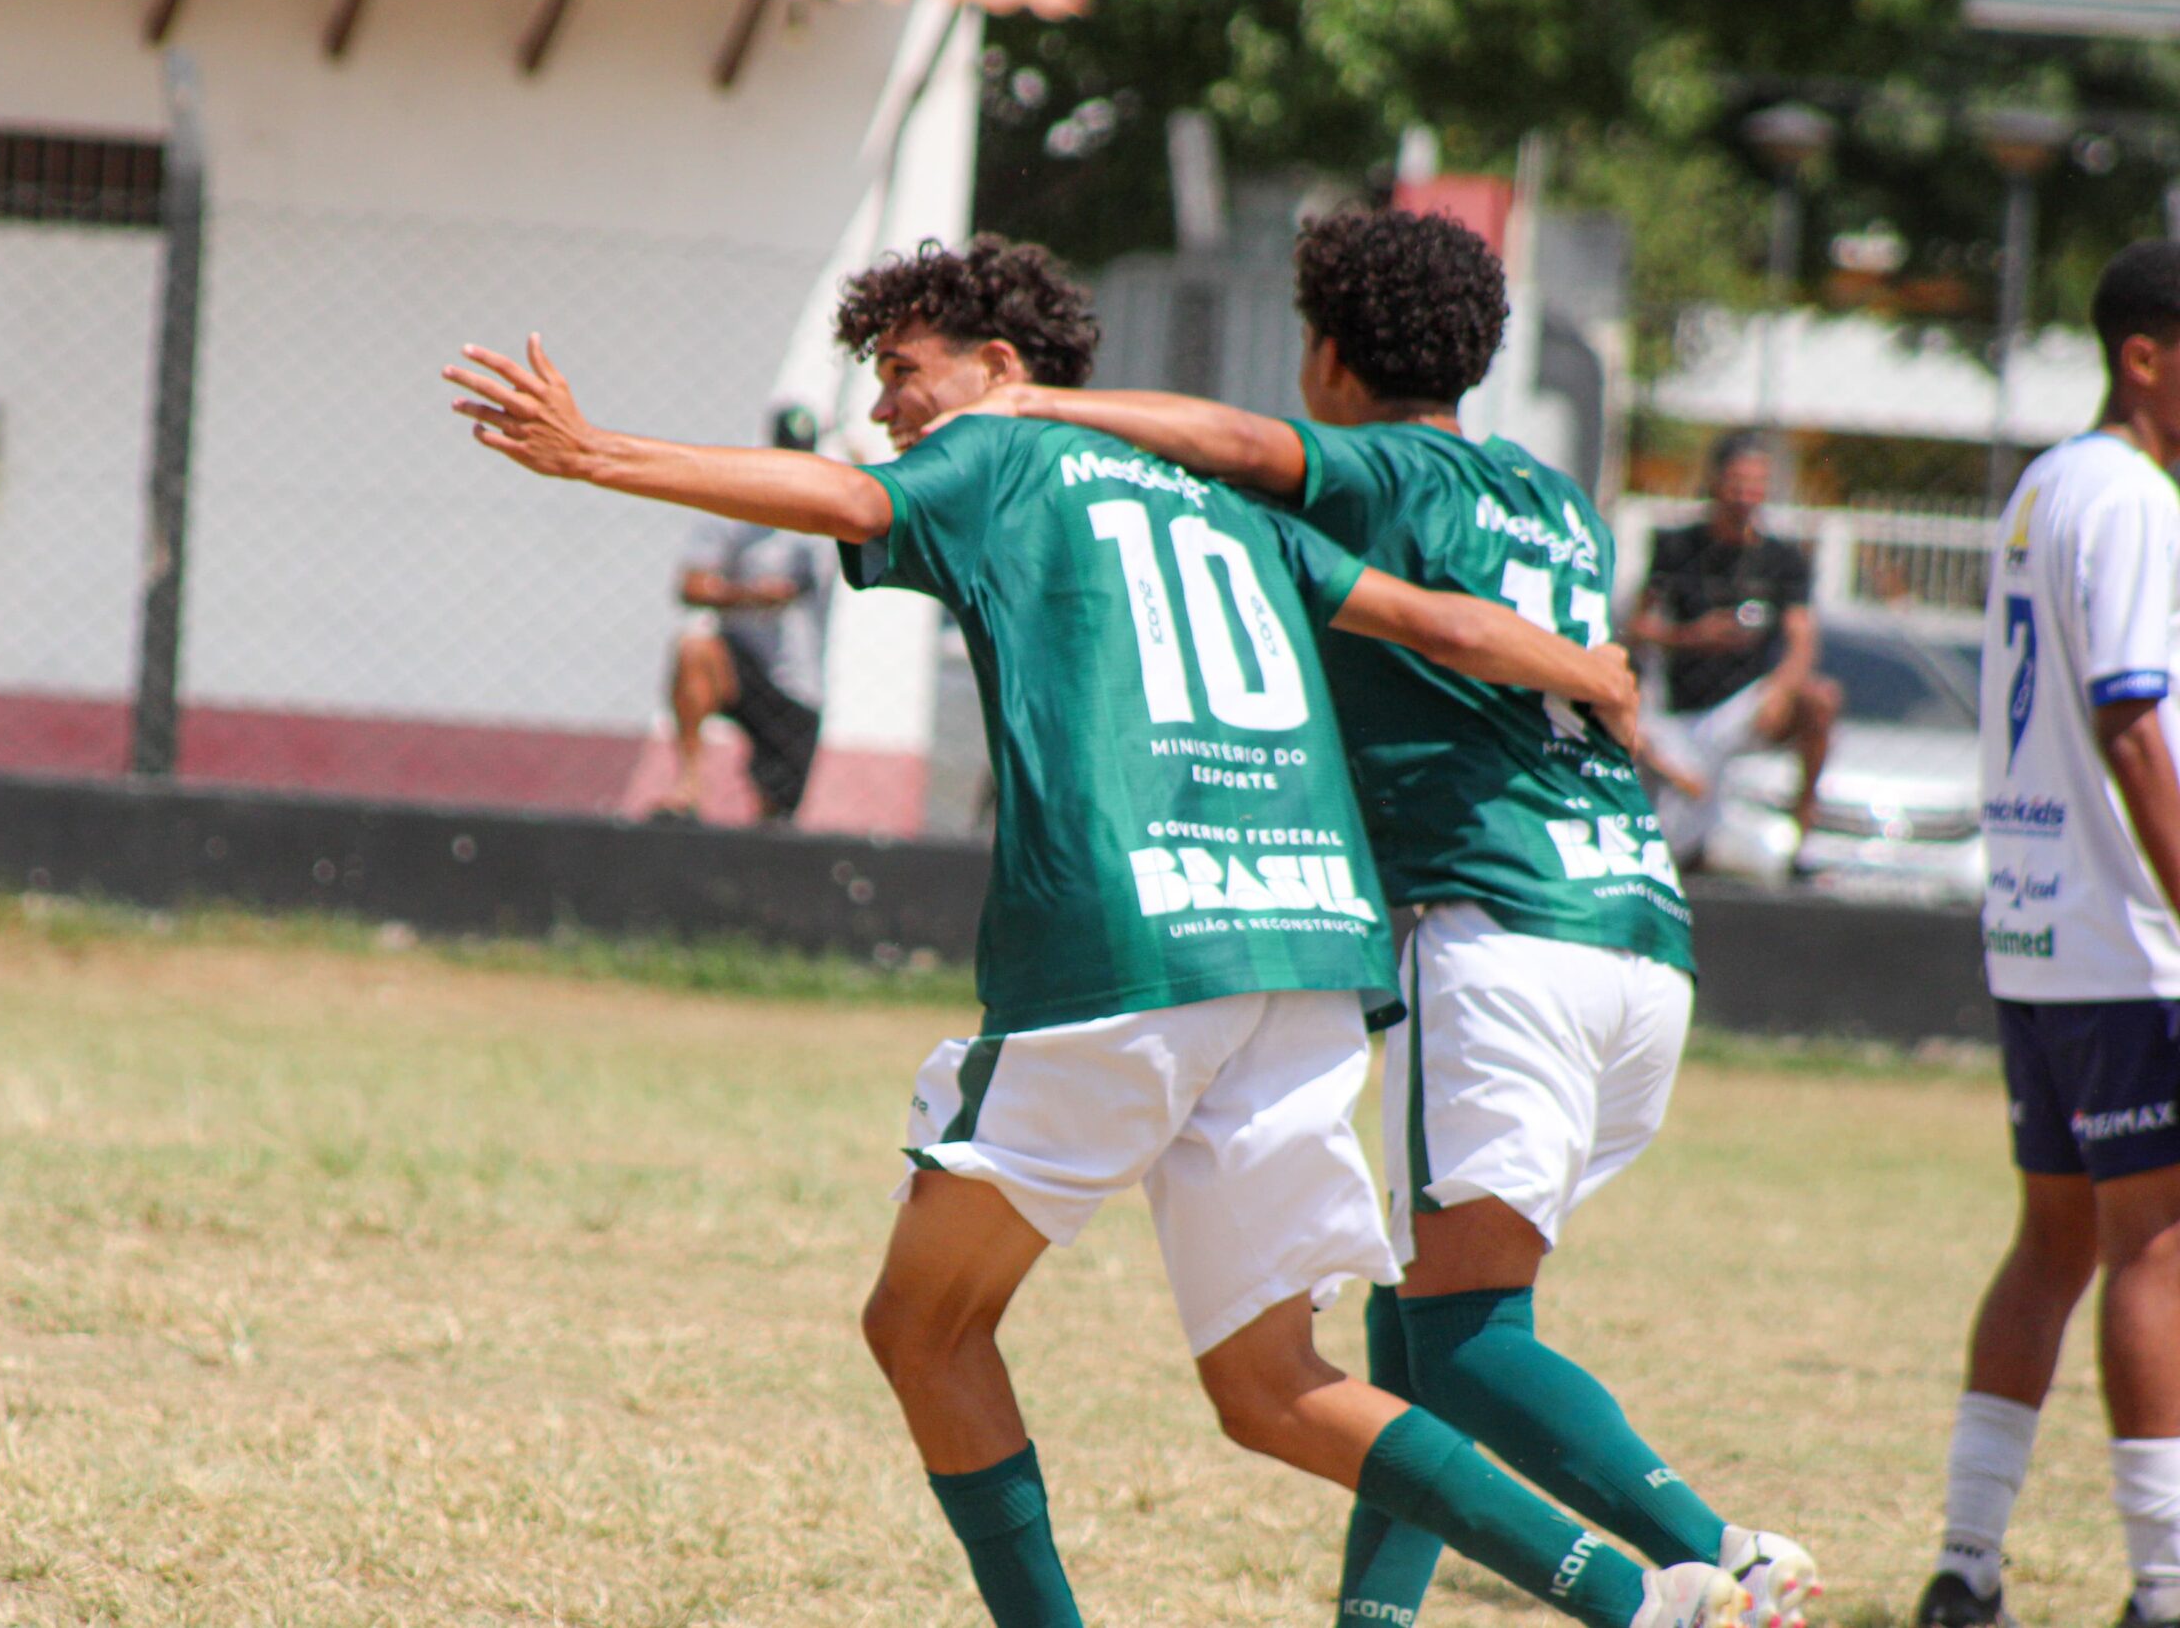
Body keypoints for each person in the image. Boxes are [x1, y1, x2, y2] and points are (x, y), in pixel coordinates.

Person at [446, 234, 1753, 1628]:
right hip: (1307, 957)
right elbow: (1426, 617)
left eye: (903, 371)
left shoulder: (998, 451)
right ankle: (1642, 1597)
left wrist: (598, 454)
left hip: (1137, 949)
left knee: (923, 1326)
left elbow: (836, 495)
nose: (887, 407)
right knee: (1274, 1387)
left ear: (1001, 371)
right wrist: (1591, 666)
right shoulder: (1212, 501)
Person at [934, 208, 1818, 1627]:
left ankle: (1722, 1557)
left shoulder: (1384, 469)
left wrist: (1030, 400)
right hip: (1638, 930)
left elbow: (1232, 446)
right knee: (1416, 1314)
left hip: (1496, 929)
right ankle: (1379, 1617)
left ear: (1330, 351)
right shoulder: (1552, 498)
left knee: (1463, 1336)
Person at [1914, 240, 2180, 1628]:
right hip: (2131, 939)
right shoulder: (2134, 498)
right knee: (2156, 1249)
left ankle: (1966, 1565)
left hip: (2036, 928)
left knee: (2055, 1244)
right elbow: (2133, 721)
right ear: (2145, 355)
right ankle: (2164, 1581)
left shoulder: (2043, 487)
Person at [1628, 432, 1840, 864]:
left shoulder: (1783, 560)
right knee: (1672, 843)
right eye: (1737, 480)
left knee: (1820, 699)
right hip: (1683, 706)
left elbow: (1802, 640)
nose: (1746, 494)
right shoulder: (1676, 547)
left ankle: (1804, 824)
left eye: (1756, 483)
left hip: (1746, 704)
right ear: (1716, 480)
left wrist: (1782, 689)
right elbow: (1637, 626)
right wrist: (1692, 636)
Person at [656, 407, 832, 823]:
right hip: (742, 661)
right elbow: (691, 585)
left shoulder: (831, 514)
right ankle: (690, 785)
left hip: (799, 682)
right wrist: (751, 597)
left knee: (777, 817)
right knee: (694, 648)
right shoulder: (736, 510)